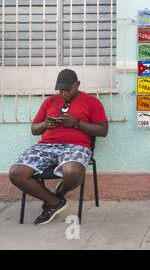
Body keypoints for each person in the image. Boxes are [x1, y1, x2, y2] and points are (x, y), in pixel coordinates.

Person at [9, 69, 108, 226]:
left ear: (78, 84)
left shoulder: (92, 102)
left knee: (73, 172)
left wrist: (76, 123)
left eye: (68, 89)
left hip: (75, 146)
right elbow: (34, 129)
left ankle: (58, 193)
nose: (64, 93)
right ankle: (55, 202)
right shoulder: (50, 101)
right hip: (46, 147)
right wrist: (45, 124)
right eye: (60, 90)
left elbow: (103, 131)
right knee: (16, 173)